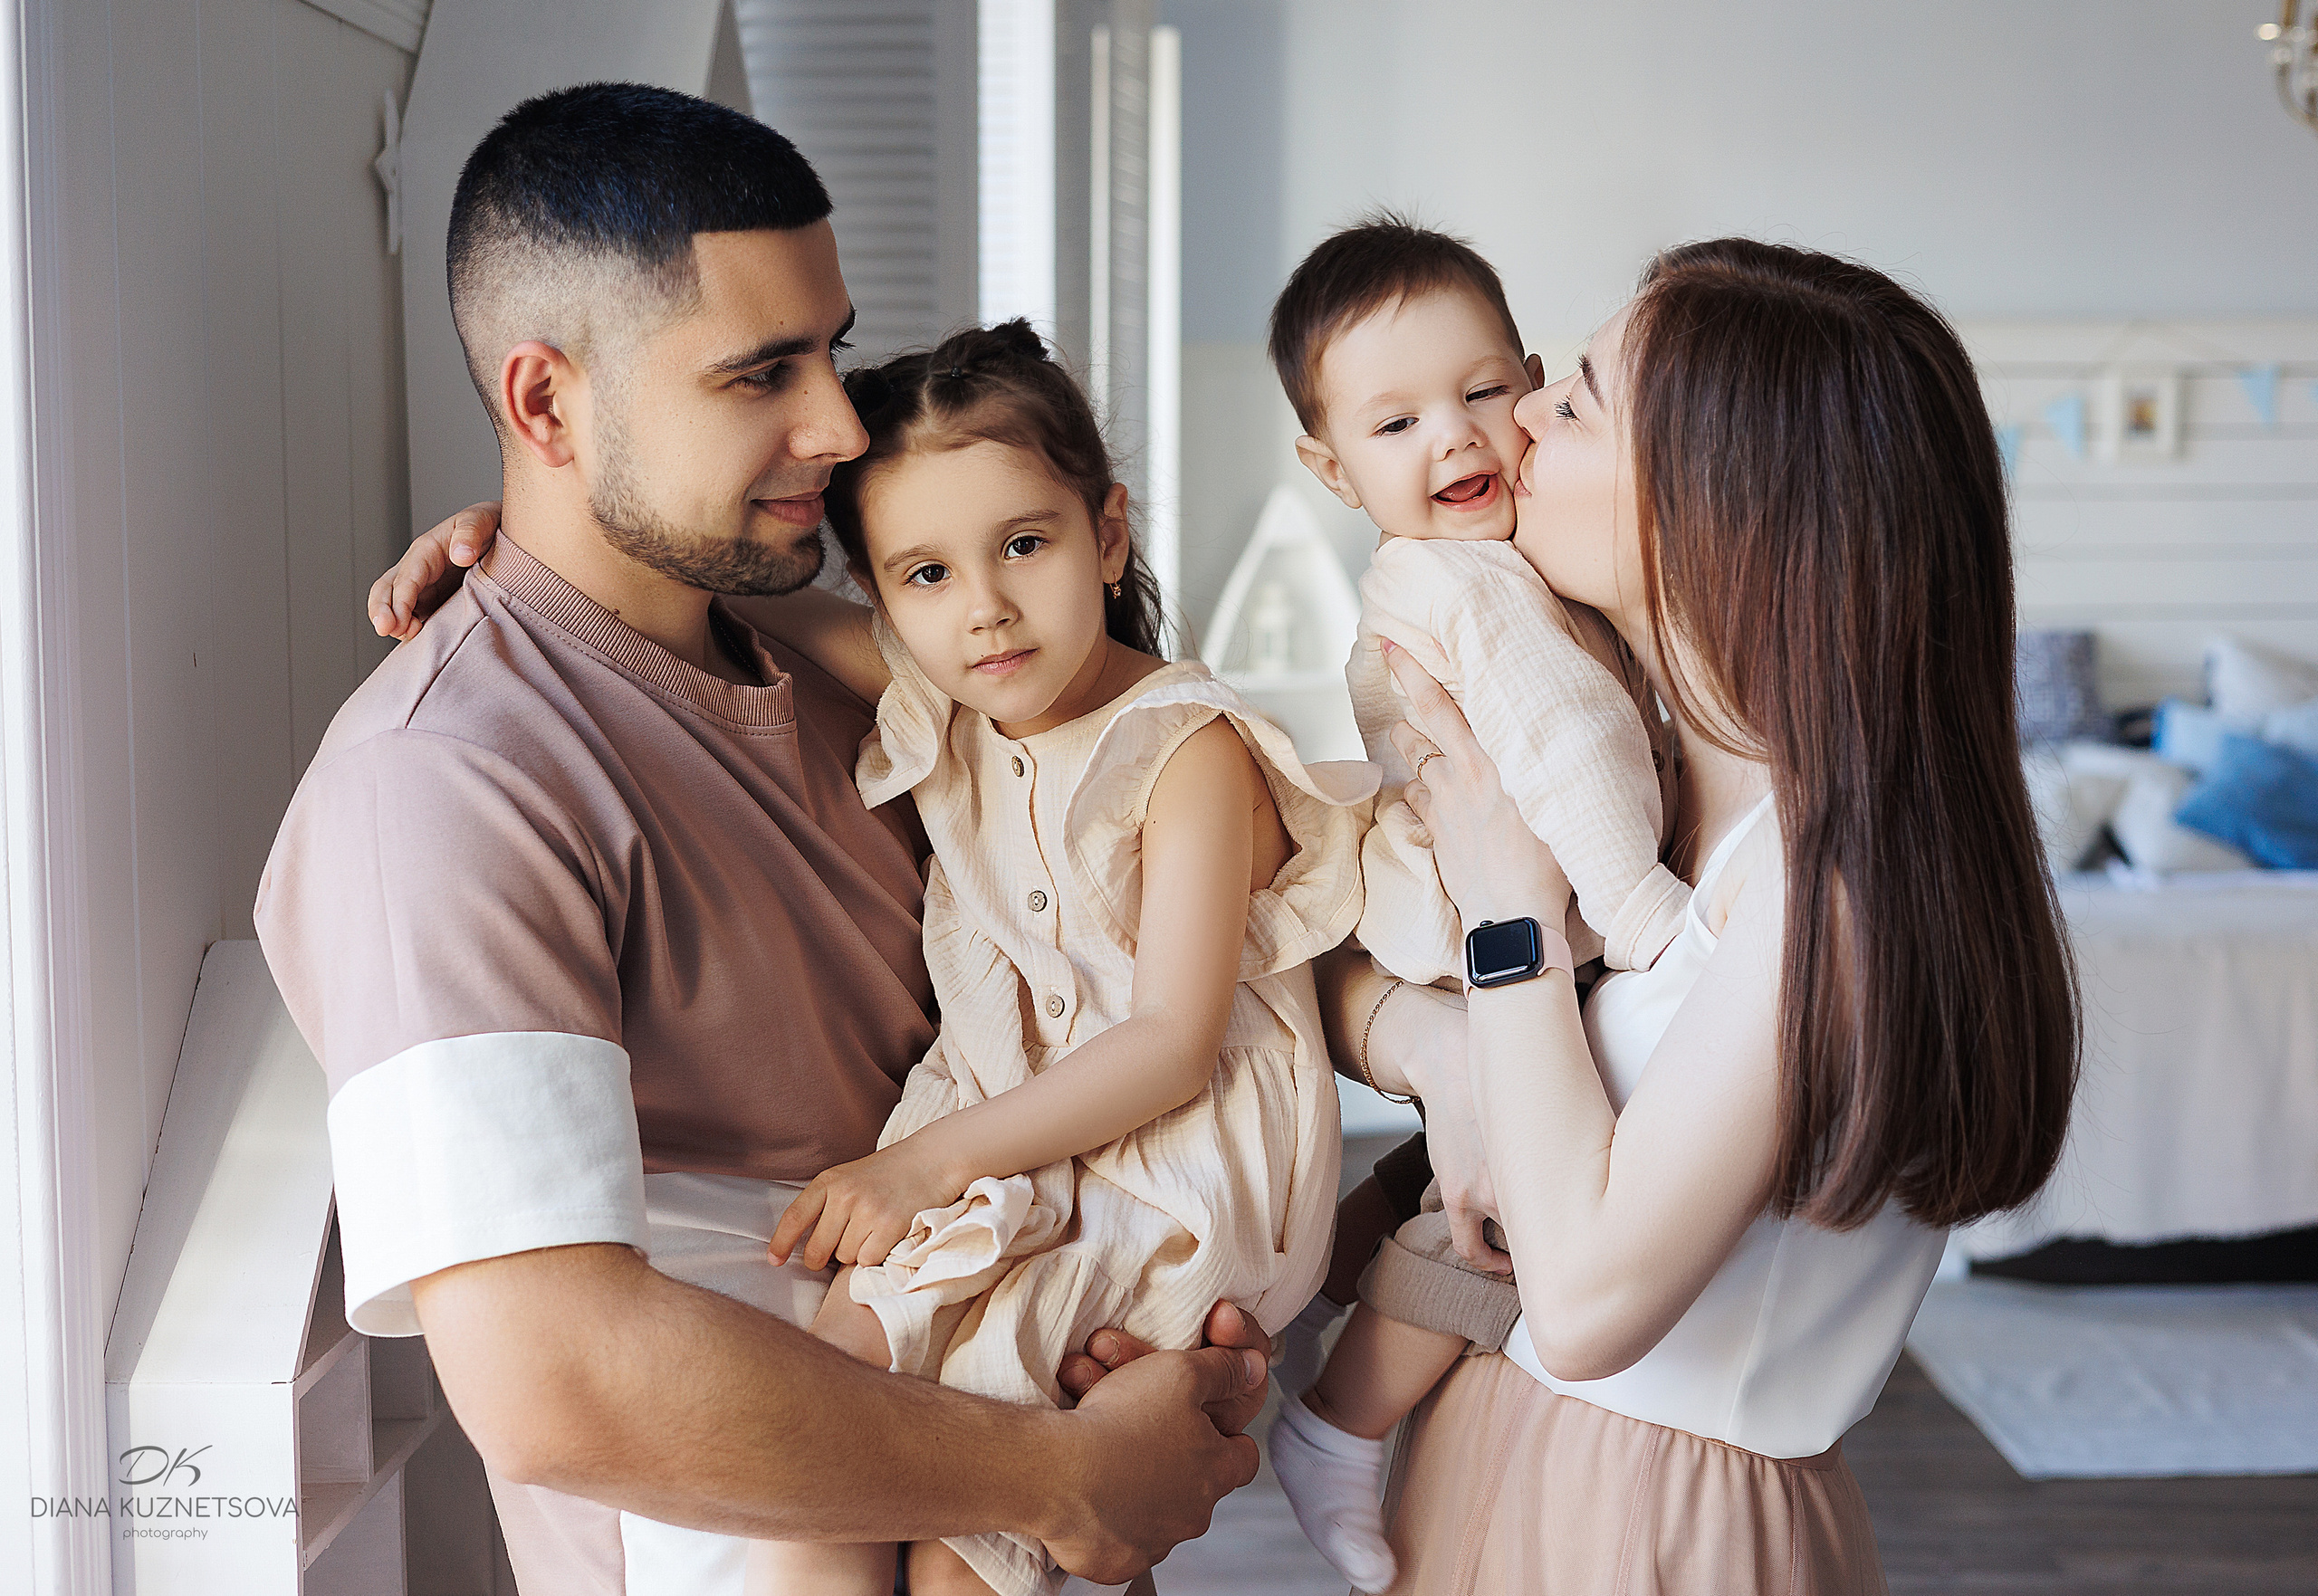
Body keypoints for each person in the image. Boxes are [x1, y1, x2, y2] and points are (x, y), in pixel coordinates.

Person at [261, 83, 1267, 1596]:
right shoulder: (442, 788)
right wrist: (1065, 1480)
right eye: (758, 376)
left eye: (834, 350)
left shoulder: (853, 668)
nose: (839, 426)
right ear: (546, 405)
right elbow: (555, 1383)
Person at [1335, 237, 2080, 1592]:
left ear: (1721, 507)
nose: (1516, 421)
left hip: (1644, 1523)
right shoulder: (1650, 785)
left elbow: (1592, 1299)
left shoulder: (1828, 879)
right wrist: (1432, 1048)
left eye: (1574, 403)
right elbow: (1331, 955)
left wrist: (1510, 921)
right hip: (1511, 1457)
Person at [732, 322, 1362, 1595]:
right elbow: (725, 588)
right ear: (885, 597)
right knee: (823, 1408)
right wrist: (507, 541)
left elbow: (1172, 1042)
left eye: (1025, 544)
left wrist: (922, 1162)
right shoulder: (947, 688)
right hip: (1009, 1135)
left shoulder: (1182, 746)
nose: (985, 609)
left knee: (975, 1528)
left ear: (1108, 536)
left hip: (1168, 1166)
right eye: (924, 575)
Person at [1258, 215, 1685, 1593]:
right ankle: (1335, 1424)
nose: (1457, 439)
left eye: (1485, 391)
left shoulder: (1509, 567)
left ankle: (1341, 1266)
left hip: (1489, 941)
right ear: (1330, 467)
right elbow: (1564, 746)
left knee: (1470, 1185)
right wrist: (1642, 900)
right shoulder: (1463, 586)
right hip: (1489, 947)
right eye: (1397, 423)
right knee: (1496, 1229)